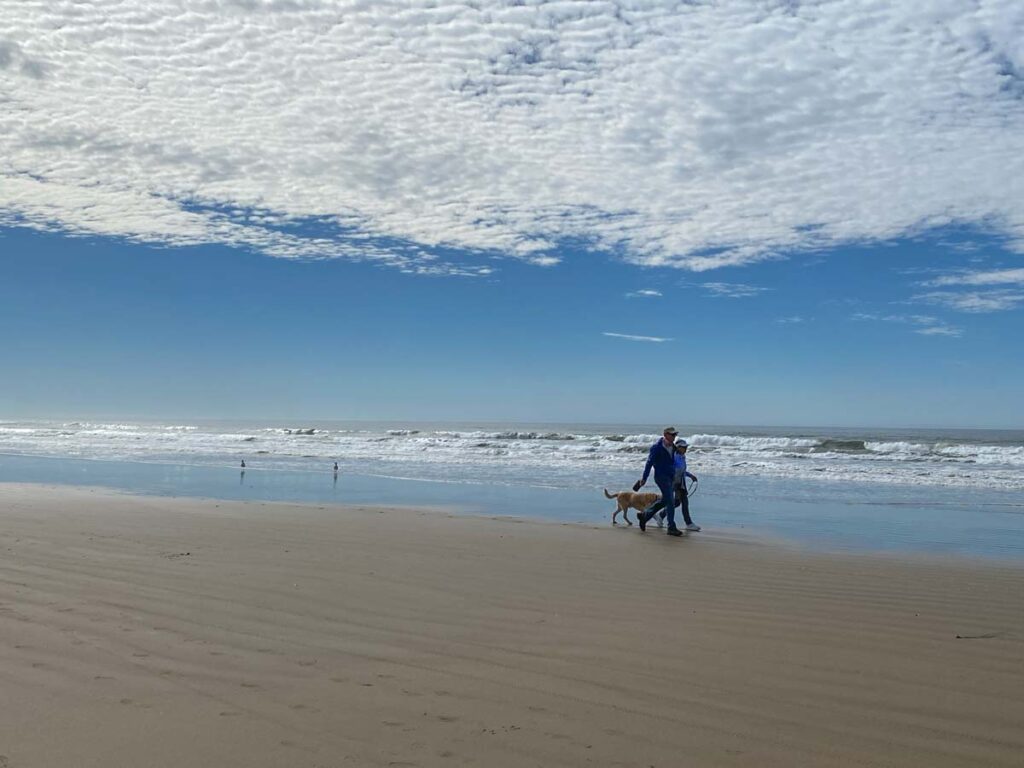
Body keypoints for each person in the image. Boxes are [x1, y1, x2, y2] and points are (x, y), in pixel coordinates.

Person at [633, 427, 684, 536]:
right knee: (670, 501)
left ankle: (644, 516)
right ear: (665, 434)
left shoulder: (673, 447)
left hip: (670, 477)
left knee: (665, 500)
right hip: (661, 478)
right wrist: (644, 478)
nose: (674, 437)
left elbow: (674, 462)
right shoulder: (656, 448)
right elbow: (649, 463)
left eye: (675, 435)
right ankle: (671, 527)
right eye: (672, 434)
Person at [671, 439, 701, 532]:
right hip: (676, 482)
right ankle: (689, 523)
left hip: (681, 482)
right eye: (684, 447)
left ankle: (659, 515)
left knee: (676, 503)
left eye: (686, 447)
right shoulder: (675, 457)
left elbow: (682, 470)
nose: (685, 449)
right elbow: (677, 470)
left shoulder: (682, 457)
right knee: (683, 502)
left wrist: (690, 475)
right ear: (678, 447)